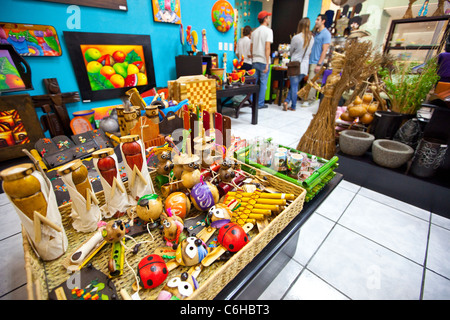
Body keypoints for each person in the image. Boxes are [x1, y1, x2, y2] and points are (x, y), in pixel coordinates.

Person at [283, 18, 314, 111]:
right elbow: (310, 52)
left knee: (294, 86)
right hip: (304, 66)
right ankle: (286, 101)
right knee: (294, 85)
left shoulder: (296, 38)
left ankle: (293, 106)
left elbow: (291, 51)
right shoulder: (311, 38)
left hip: (295, 65)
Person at [304, 14, 331, 106]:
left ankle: (309, 100)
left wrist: (319, 64)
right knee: (310, 80)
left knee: (312, 81)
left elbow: (325, 50)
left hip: (316, 61)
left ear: (323, 21)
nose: (316, 21)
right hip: (310, 60)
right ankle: (308, 97)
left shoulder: (326, 34)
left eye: (318, 19)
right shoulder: (317, 33)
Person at [251, 10, 273, 109]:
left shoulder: (254, 32)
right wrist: (268, 63)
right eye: (268, 17)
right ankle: (260, 104)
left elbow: (251, 48)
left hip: (255, 60)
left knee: (253, 83)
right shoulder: (268, 31)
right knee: (263, 83)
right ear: (265, 19)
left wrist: (253, 58)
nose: (269, 19)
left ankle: (251, 102)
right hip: (263, 61)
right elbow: (267, 47)